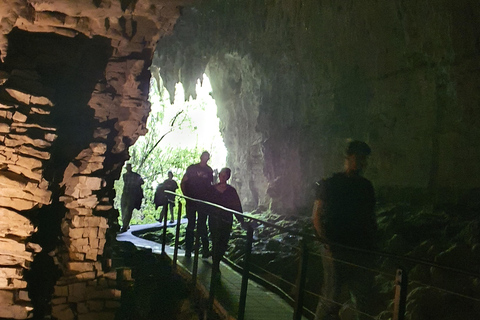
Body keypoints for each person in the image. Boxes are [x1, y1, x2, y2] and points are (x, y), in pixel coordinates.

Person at [312, 140, 377, 320]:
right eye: (359, 158)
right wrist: (327, 245)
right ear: (348, 158)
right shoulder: (330, 184)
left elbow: (370, 219)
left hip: (360, 250)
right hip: (337, 249)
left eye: (365, 159)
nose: (363, 163)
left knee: (361, 300)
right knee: (331, 297)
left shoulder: (366, 187)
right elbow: (316, 217)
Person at [209, 168, 245, 277]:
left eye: (225, 176)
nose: (222, 177)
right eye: (221, 175)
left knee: (223, 242)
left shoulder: (231, 191)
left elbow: (236, 206)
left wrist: (241, 220)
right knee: (215, 240)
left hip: (226, 220)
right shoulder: (212, 189)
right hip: (214, 219)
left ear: (228, 177)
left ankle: (217, 261)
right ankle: (215, 265)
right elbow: (206, 203)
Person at [181, 151, 213, 258]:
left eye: (207, 157)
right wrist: (186, 196)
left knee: (202, 225)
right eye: (204, 156)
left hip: (203, 202)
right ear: (200, 157)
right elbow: (183, 182)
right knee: (191, 224)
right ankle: (189, 250)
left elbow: (210, 185)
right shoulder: (192, 168)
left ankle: (204, 250)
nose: (205, 158)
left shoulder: (209, 171)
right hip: (191, 200)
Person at [121, 163, 144, 232]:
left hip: (132, 195)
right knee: (123, 209)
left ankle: (125, 226)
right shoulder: (124, 176)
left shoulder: (135, 176)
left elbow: (142, 182)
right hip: (125, 193)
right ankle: (125, 224)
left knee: (128, 210)